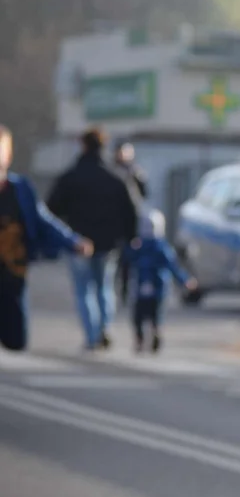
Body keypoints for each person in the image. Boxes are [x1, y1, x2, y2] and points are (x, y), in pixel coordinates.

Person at [0, 125, 92, 351]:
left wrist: (73, 241)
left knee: (16, 341)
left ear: (8, 155)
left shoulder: (20, 189)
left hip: (12, 274)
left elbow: (43, 220)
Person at [47, 126, 138, 351]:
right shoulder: (116, 178)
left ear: (83, 145)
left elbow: (51, 209)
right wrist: (130, 237)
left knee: (83, 290)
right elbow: (131, 210)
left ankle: (91, 336)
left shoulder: (71, 177)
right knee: (104, 287)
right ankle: (104, 328)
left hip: (78, 243)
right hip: (109, 243)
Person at [123, 209, 197, 353]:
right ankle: (147, 335)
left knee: (142, 316)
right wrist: (185, 280)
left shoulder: (146, 247)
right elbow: (173, 266)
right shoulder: (159, 247)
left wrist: (184, 280)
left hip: (147, 288)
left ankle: (144, 338)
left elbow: (172, 266)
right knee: (151, 316)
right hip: (155, 288)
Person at [113, 139, 148, 309]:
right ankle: (116, 290)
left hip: (130, 224)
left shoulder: (134, 172)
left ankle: (127, 292)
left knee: (128, 262)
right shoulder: (112, 171)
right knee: (115, 262)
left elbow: (144, 193)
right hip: (114, 224)